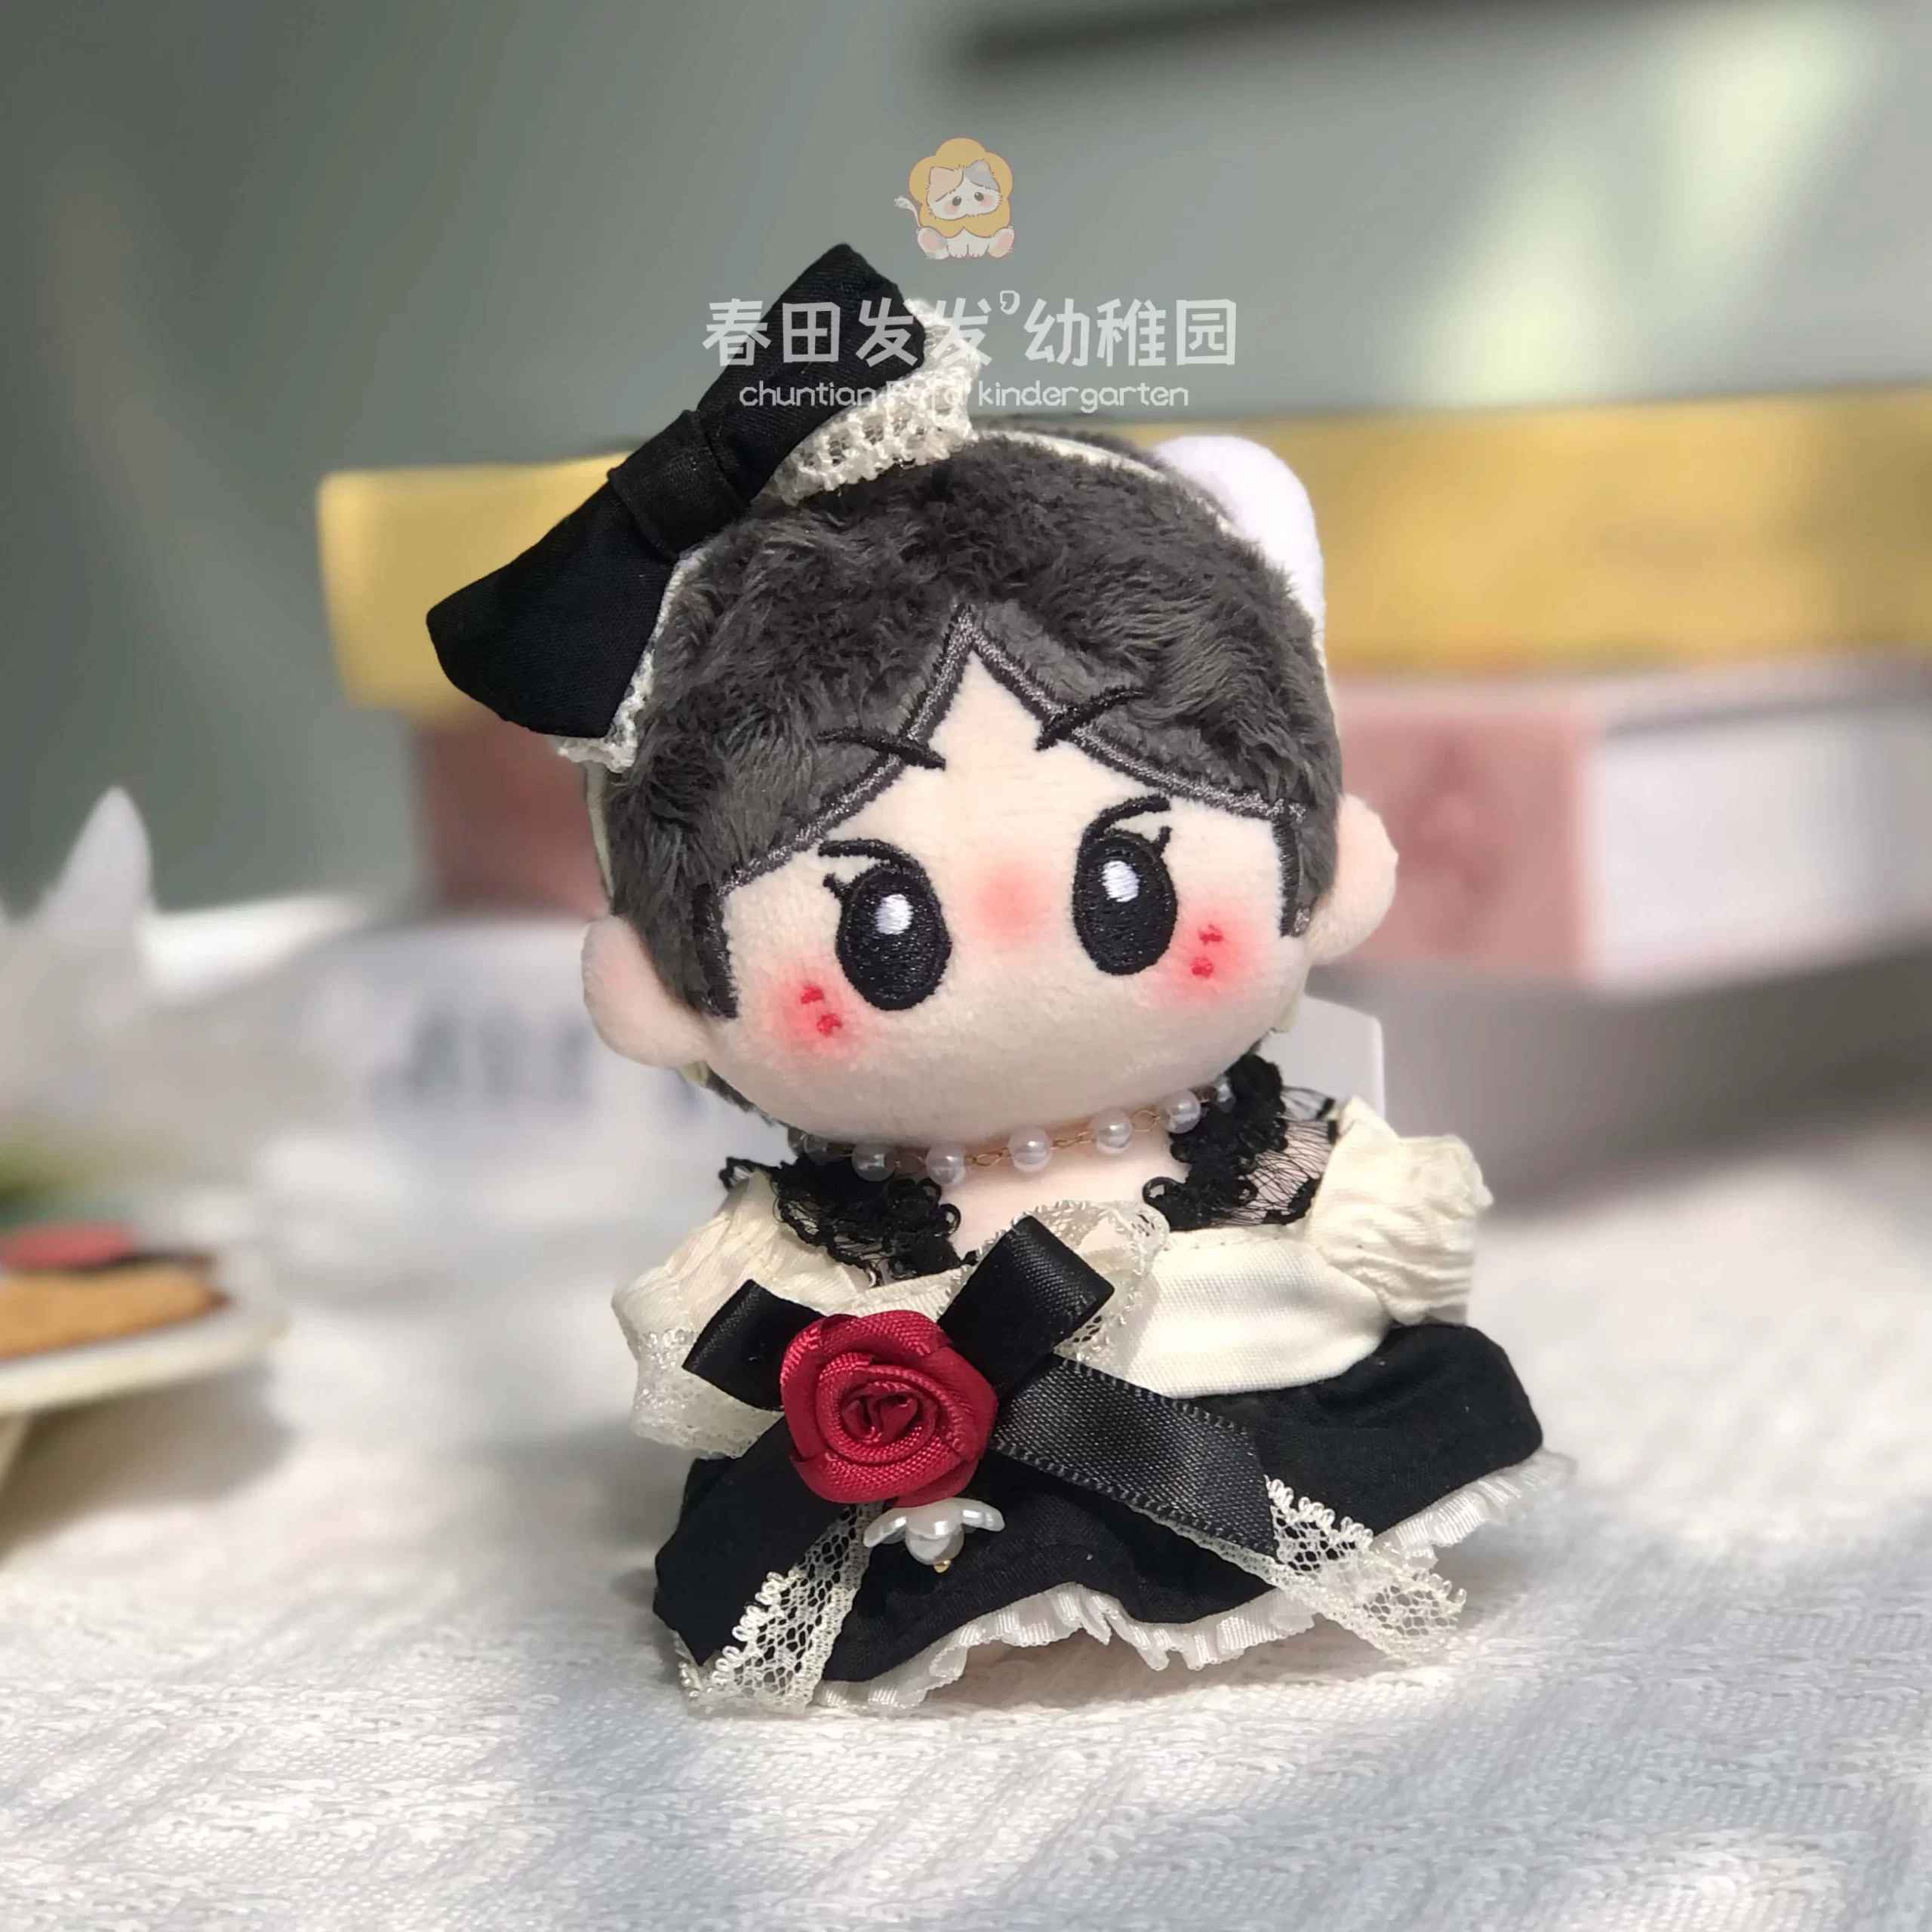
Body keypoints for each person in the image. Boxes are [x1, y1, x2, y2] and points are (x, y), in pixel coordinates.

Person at [428, 245, 1561, 1710]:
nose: (1026, 929)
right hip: (937, 1521)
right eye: (881, 926)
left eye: (1127, 879)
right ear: (660, 989)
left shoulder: (1285, 1169)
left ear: (1321, 870)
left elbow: (1381, 1266)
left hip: (1278, 1426)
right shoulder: (815, 1245)